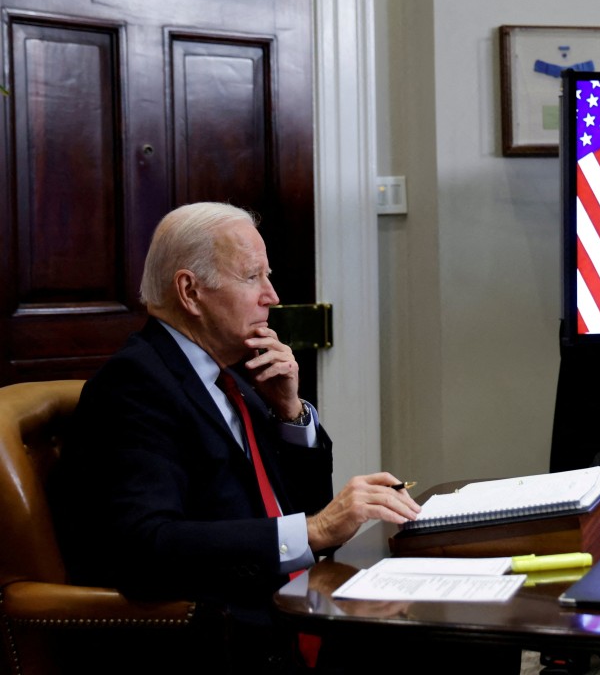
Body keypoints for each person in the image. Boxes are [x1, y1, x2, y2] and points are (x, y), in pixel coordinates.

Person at [51, 202, 420, 673]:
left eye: (268, 276)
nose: (272, 296)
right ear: (190, 291)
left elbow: (305, 510)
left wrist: (290, 413)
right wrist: (315, 530)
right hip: (224, 642)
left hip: (293, 609)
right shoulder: (135, 386)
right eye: (252, 277)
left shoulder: (236, 376)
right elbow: (146, 545)